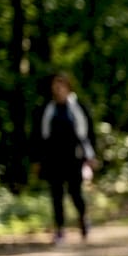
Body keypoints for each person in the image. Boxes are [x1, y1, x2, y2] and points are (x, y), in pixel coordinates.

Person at [32, 72, 98, 244]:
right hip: (53, 159)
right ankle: (60, 230)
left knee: (76, 193)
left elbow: (88, 135)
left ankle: (83, 219)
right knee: (56, 195)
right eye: (55, 85)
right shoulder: (46, 110)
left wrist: (91, 157)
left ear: (68, 87)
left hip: (74, 158)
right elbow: (39, 137)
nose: (58, 88)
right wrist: (37, 160)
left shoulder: (79, 109)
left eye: (61, 85)